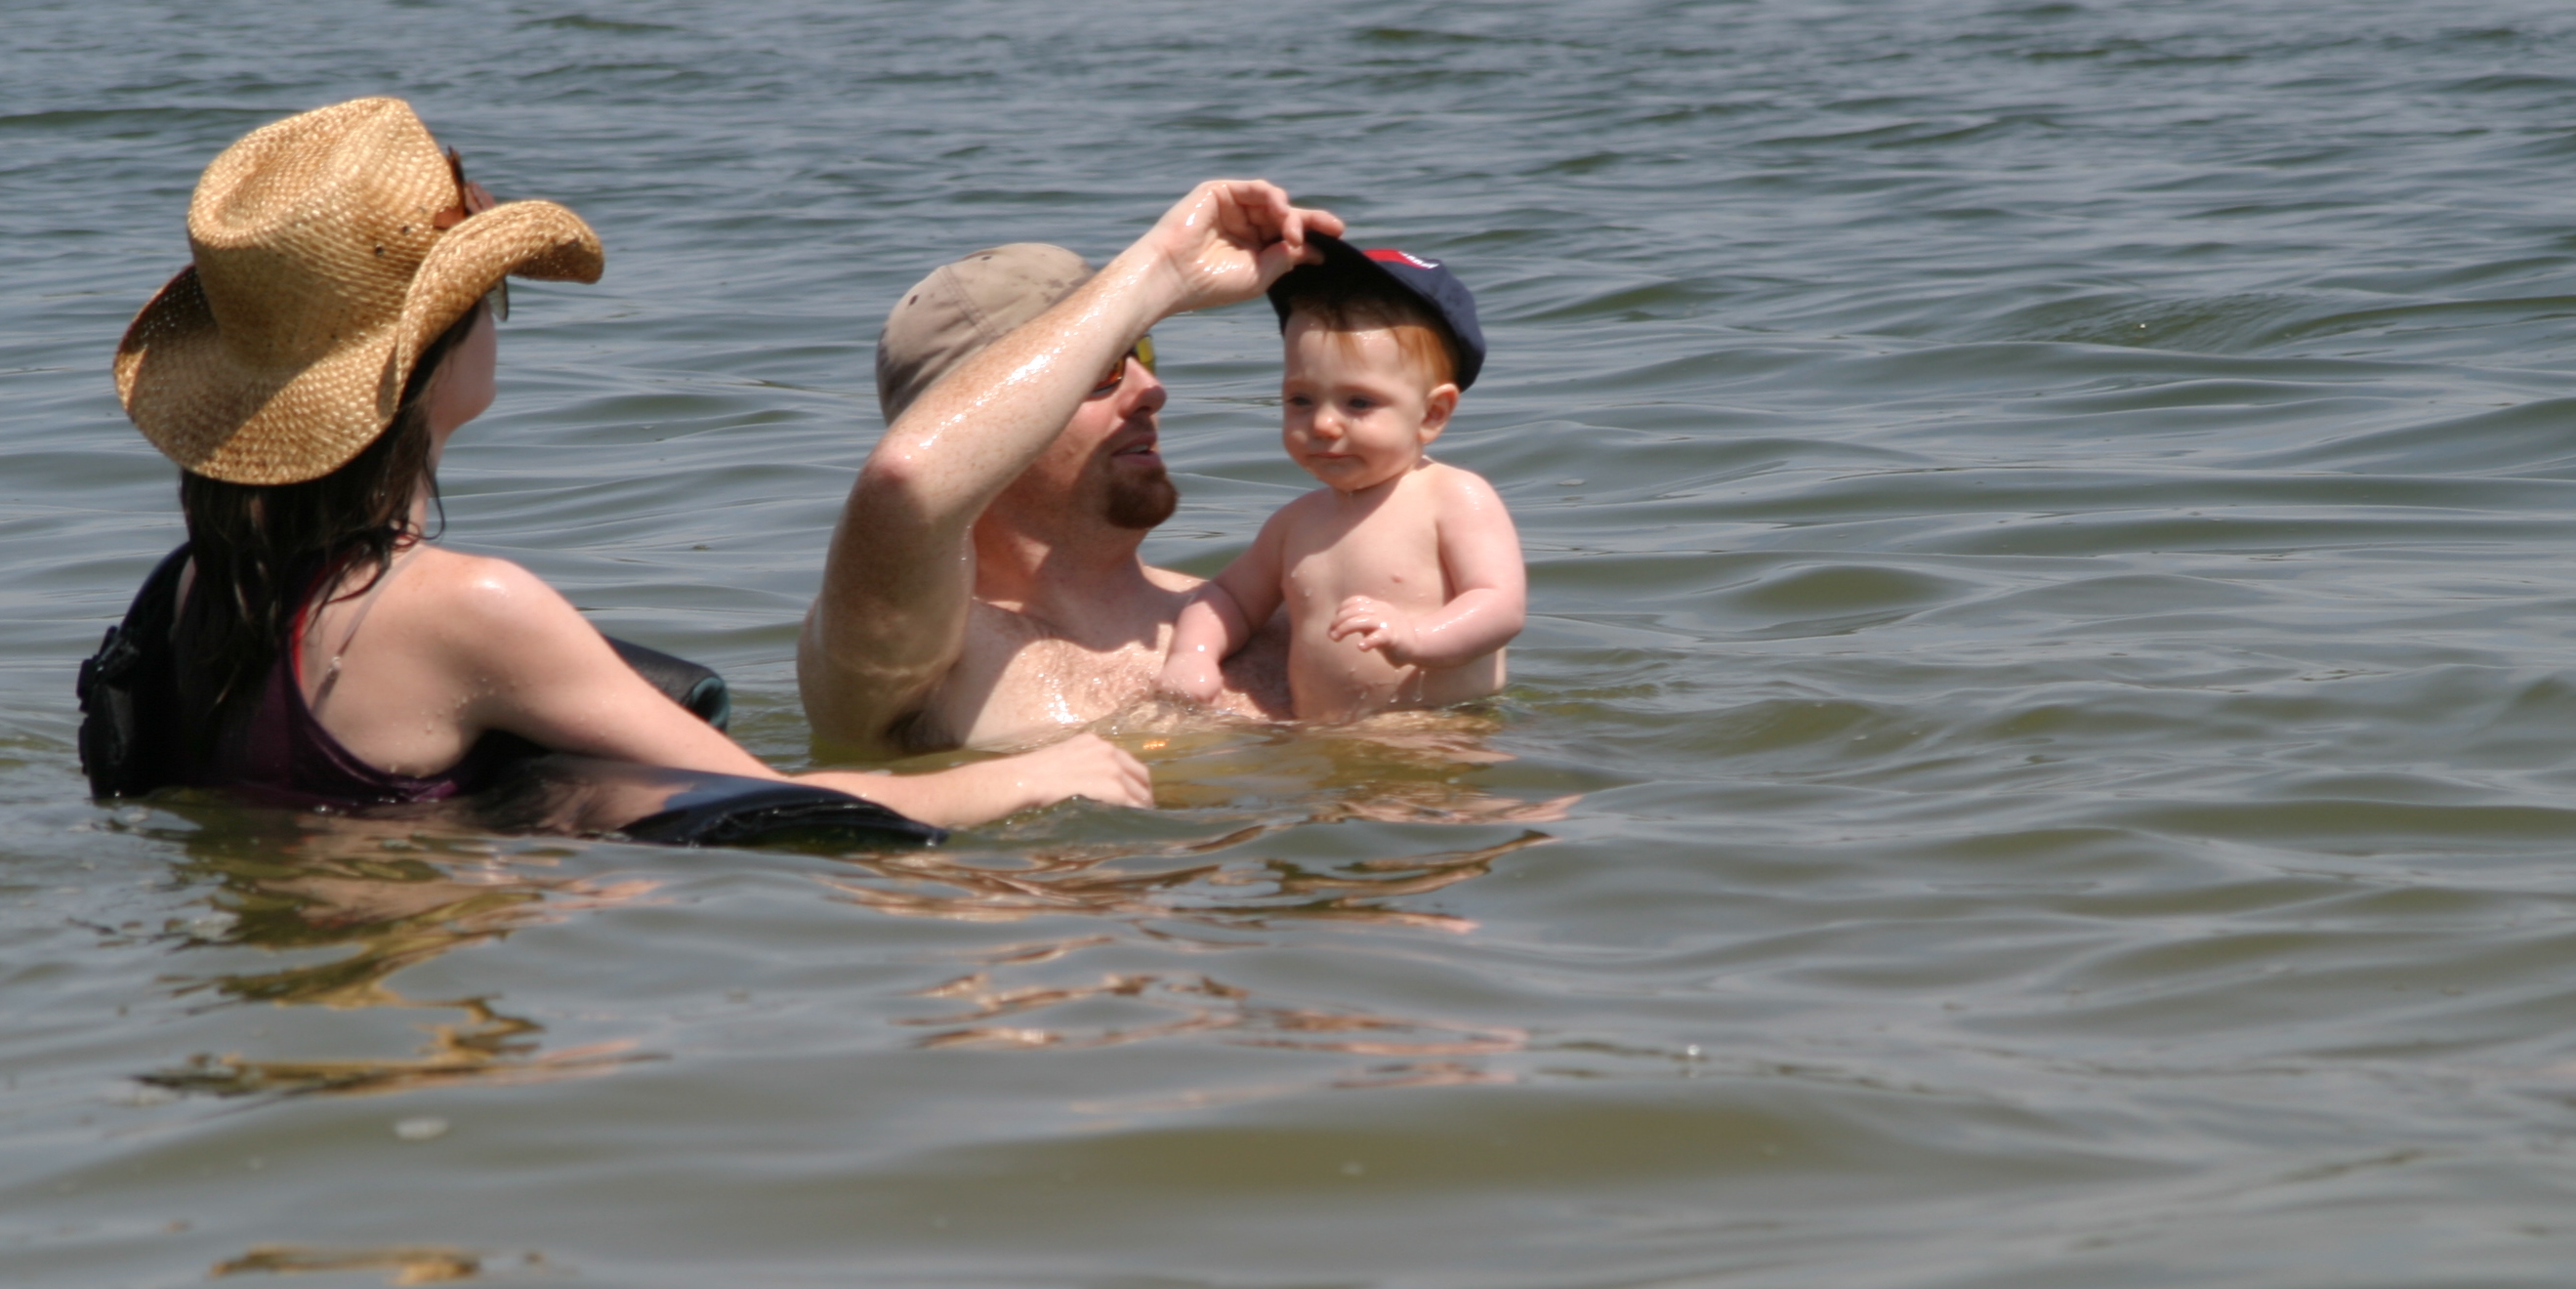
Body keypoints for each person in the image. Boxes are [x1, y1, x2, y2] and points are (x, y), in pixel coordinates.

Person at [109, 97, 1145, 829]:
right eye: (492, 295)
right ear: (434, 352)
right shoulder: (466, 608)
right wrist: (1027, 778)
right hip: (420, 1007)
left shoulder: (197, 586)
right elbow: (780, 801)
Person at [797, 181, 1343, 754]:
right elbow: (906, 482)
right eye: (1099, 369)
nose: (1151, 390)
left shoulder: (1261, 613)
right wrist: (1162, 268)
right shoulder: (916, 663)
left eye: (1141, 352)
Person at [1159, 240, 1524, 722]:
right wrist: (1193, 653)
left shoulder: (1452, 496)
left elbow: (1499, 606)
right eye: (1301, 400)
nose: (1323, 424)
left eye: (1358, 403)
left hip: (1441, 728)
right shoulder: (1295, 524)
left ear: (1432, 414)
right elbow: (1228, 598)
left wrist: (1418, 636)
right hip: (1324, 741)